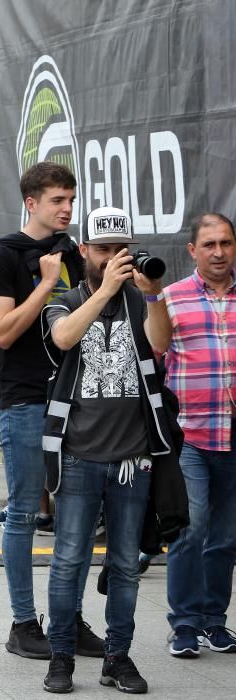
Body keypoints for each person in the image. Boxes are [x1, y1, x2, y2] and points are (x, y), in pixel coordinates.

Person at [40, 206, 173, 693]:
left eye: (122, 250)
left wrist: (153, 296)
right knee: (68, 559)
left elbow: (160, 344)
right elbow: (62, 337)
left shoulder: (141, 299)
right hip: (76, 454)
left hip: (131, 459)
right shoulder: (65, 301)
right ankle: (60, 658)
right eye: (104, 250)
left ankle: (118, 657)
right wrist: (105, 291)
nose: (114, 258)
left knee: (124, 565)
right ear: (85, 252)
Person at [0, 161, 102, 660]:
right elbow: (4, 331)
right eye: (57, 200)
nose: (67, 208)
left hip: (77, 397)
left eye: (71, 199)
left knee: (76, 516)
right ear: (32, 203)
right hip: (26, 397)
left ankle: (67, 618)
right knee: (25, 512)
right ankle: (24, 623)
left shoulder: (74, 253)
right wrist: (43, 283)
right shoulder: (3, 255)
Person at [161, 212, 236, 657]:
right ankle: (184, 623)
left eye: (226, 243)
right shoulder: (171, 298)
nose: (219, 252)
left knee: (226, 537)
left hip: (234, 438)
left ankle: (214, 621)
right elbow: (151, 356)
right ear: (193, 250)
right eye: (209, 245)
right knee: (191, 529)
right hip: (189, 435)